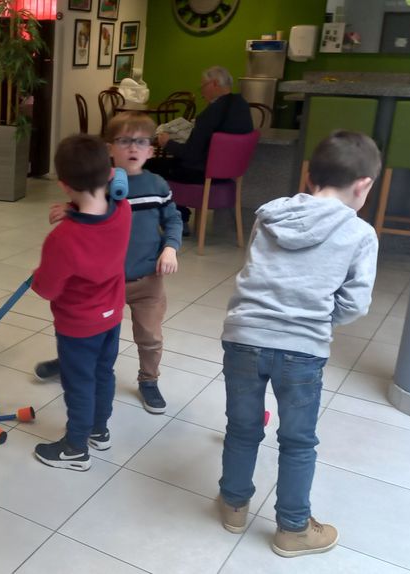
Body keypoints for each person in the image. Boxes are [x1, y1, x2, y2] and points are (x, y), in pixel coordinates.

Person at [217, 131, 380, 557]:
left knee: (242, 428)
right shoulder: (360, 234)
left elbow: (256, 271)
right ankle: (292, 528)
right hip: (302, 352)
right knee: (298, 440)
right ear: (362, 186)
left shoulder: (269, 214)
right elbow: (355, 304)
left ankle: (233, 505)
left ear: (308, 175)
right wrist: (318, 320)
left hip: (243, 338)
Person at [35, 113, 183, 415]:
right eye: (125, 141)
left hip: (146, 278)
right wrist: (71, 208)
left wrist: (170, 248)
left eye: (141, 141)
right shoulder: (101, 182)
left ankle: (149, 379)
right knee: (92, 330)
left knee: (150, 334)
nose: (134, 148)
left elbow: (173, 219)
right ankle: (71, 362)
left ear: (151, 150)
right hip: (107, 281)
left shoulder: (157, 185)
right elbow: (88, 203)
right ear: (109, 150)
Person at [31, 134, 131, 471]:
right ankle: (99, 431)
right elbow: (98, 208)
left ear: (62, 184)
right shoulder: (124, 211)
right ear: (109, 173)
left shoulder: (63, 239)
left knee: (79, 383)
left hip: (78, 326)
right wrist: (73, 209)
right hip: (112, 316)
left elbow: (47, 288)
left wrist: (37, 275)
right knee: (104, 372)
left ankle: (75, 447)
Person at [147, 66, 253, 231]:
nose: (202, 91)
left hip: (200, 173)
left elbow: (190, 155)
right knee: (173, 162)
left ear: (215, 84)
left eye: (203, 86)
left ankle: (177, 219)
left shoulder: (210, 113)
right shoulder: (242, 105)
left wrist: (167, 142)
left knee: (151, 166)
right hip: (229, 175)